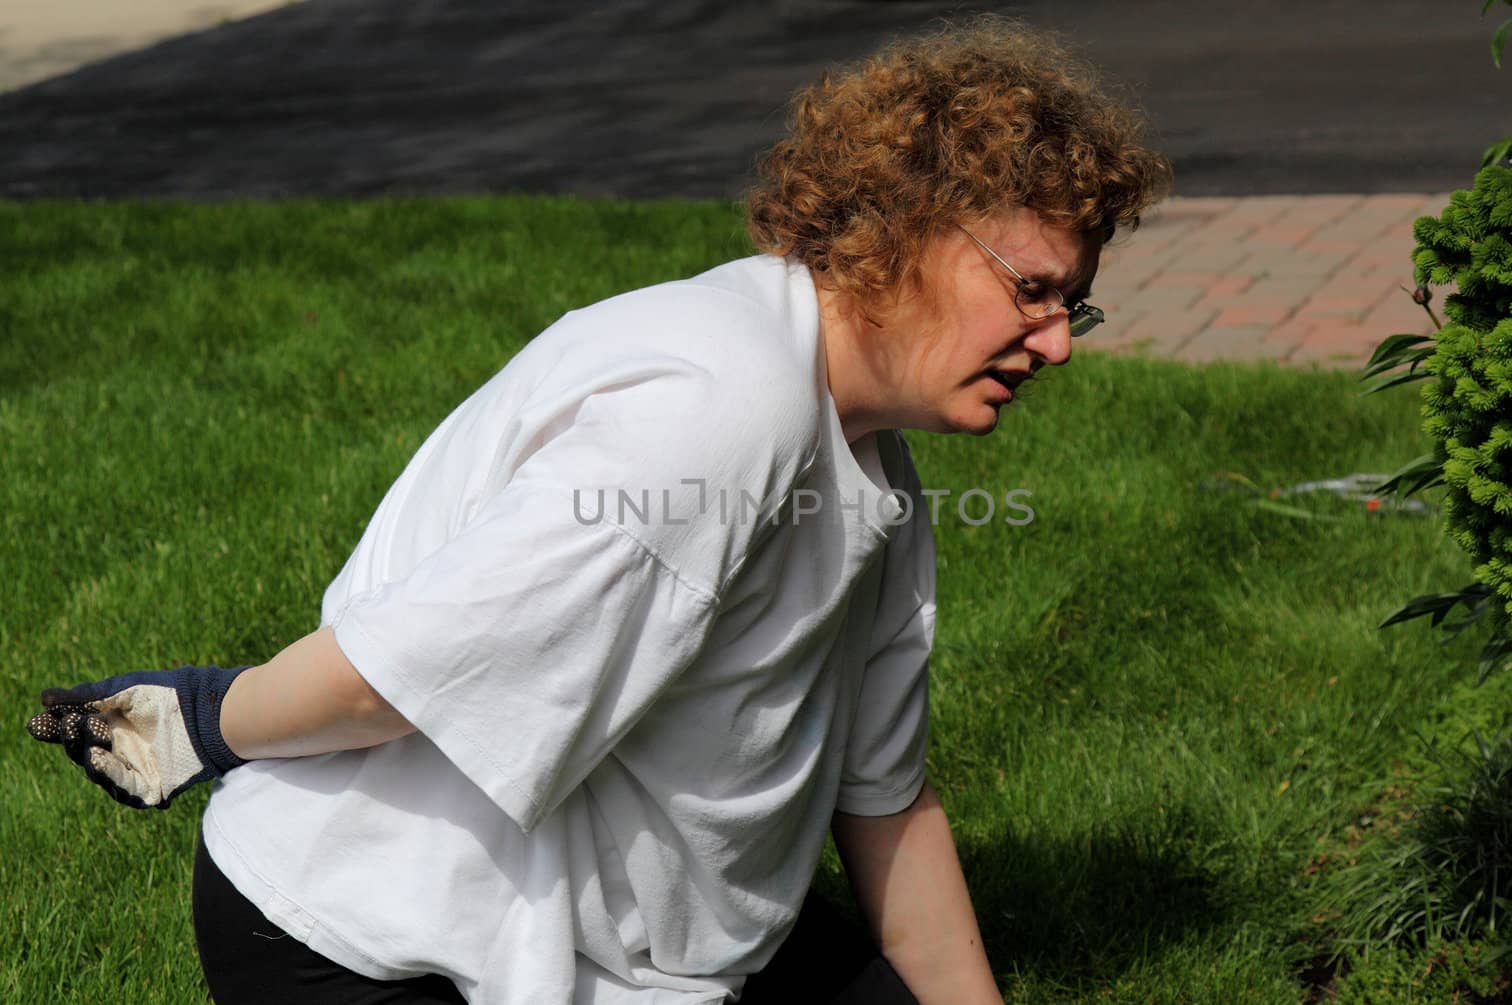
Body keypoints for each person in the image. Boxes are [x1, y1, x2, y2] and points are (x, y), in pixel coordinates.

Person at [26, 17, 1169, 1005]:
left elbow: (886, 801)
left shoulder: (874, 475)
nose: (1059, 342)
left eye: (1077, 305)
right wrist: (206, 722)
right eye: (1030, 290)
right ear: (900, 229)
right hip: (365, 945)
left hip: (644, 945)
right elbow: (404, 674)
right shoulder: (722, 415)